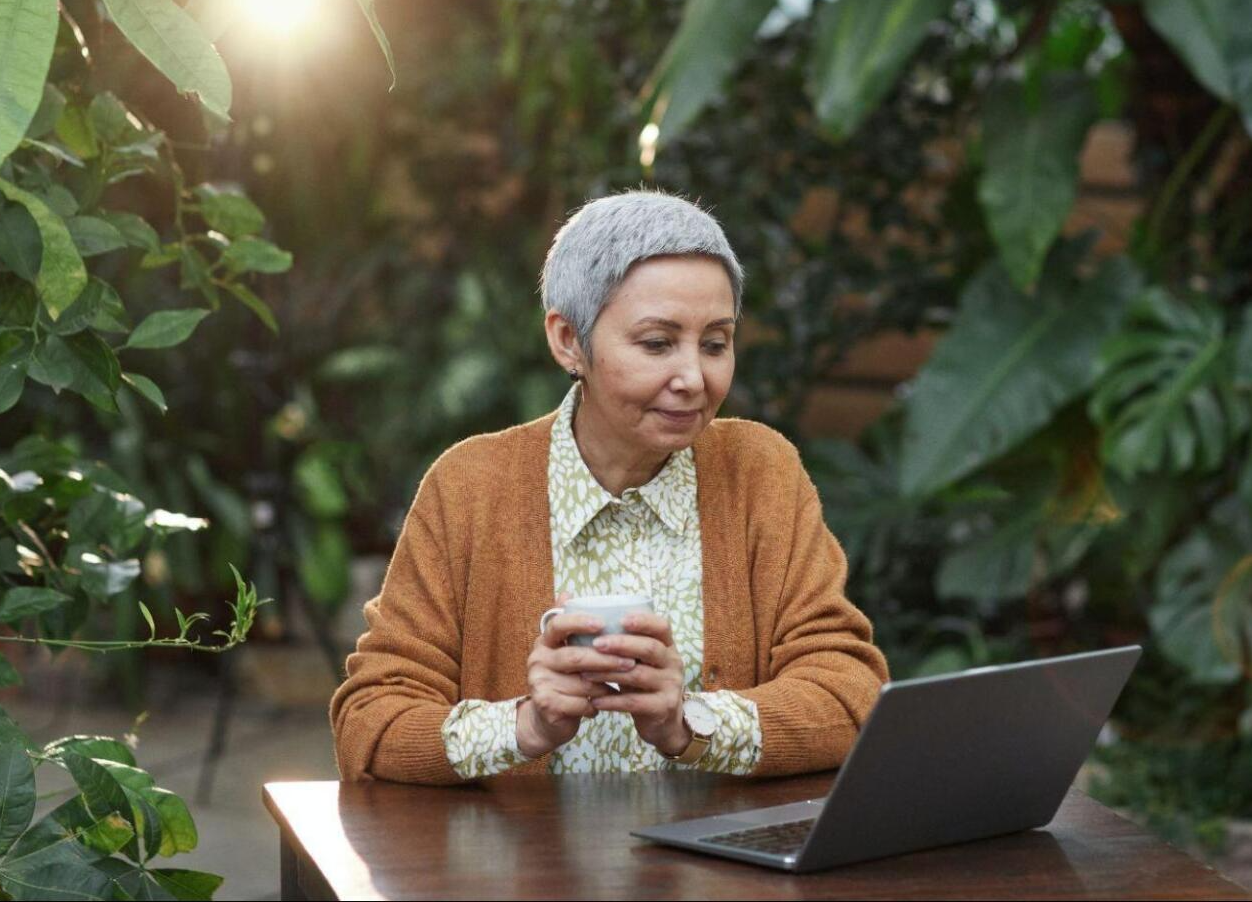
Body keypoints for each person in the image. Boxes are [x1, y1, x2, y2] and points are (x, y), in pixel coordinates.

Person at [330, 189, 889, 785]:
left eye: (716, 343)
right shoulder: (470, 487)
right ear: (569, 340)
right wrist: (526, 727)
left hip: (724, 874)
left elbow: (850, 692)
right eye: (656, 343)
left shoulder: (760, 471)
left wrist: (690, 725)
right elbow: (371, 719)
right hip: (522, 875)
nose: (692, 378)